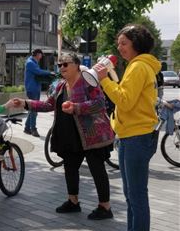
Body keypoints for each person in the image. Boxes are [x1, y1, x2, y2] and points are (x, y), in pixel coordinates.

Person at [93, 24, 161, 231]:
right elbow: (127, 96)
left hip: (136, 136)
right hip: (131, 135)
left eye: (123, 43)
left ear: (136, 43)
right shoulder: (139, 66)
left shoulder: (139, 66)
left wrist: (103, 80)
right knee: (132, 194)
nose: (119, 47)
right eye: (119, 42)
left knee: (137, 196)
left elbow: (124, 100)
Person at [14, 53, 114, 220]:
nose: (61, 68)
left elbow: (99, 104)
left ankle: (105, 207)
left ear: (76, 64)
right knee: (70, 168)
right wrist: (26, 103)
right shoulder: (60, 85)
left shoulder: (88, 80)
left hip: (91, 134)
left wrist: (76, 107)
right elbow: (48, 105)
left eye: (65, 64)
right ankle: (73, 202)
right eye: (59, 65)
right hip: (69, 134)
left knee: (97, 169)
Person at [24, 48, 55, 137]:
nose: (41, 57)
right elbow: (38, 72)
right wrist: (49, 72)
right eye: (41, 55)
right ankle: (33, 129)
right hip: (32, 88)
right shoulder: (30, 62)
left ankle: (27, 128)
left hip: (35, 88)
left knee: (32, 108)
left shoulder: (33, 62)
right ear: (37, 54)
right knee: (34, 108)